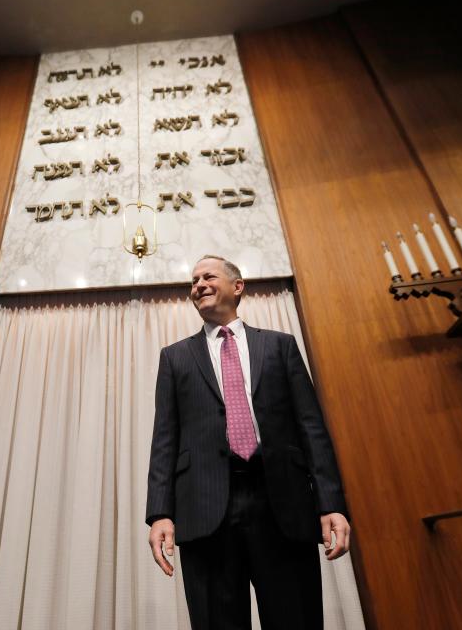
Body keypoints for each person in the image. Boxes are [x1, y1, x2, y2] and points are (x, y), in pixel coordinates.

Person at [146, 255, 350, 630]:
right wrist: (161, 513)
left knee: (296, 618)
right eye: (193, 281)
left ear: (237, 287)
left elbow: (311, 428)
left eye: (208, 276)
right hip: (205, 510)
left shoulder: (280, 346)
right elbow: (165, 439)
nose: (198, 285)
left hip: (282, 503)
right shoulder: (174, 358)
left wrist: (331, 504)